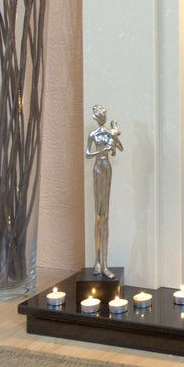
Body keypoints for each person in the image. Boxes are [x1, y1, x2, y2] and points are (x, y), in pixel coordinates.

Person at [85, 104, 123, 278]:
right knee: (98, 214)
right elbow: (87, 154)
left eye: (103, 115)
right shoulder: (93, 134)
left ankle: (105, 264)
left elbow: (119, 148)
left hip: (106, 167)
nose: (102, 118)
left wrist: (113, 140)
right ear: (96, 118)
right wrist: (102, 150)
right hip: (97, 168)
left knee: (105, 214)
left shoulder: (109, 133)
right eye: (100, 115)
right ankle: (97, 262)